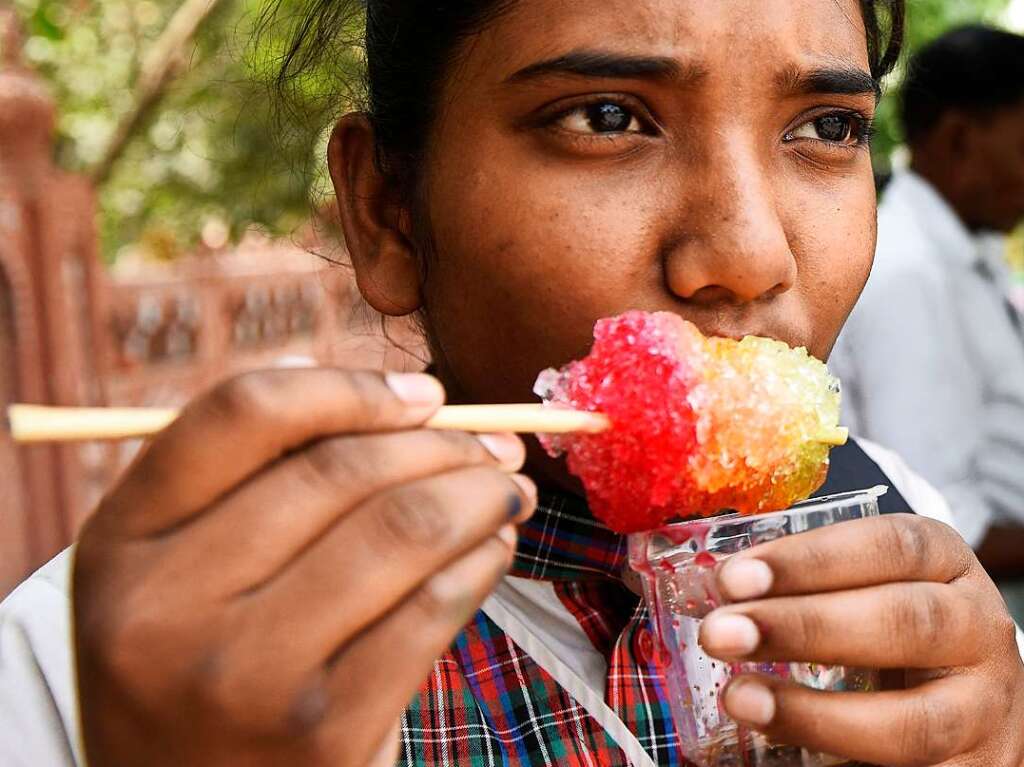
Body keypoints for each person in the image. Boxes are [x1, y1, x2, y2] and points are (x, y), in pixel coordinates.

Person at [2, 2, 1023, 765]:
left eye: (827, 128)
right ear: (387, 209)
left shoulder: (898, 535)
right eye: (609, 115)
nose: (750, 255)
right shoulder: (103, 667)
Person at [831, 27, 1024, 595]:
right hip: (982, 597)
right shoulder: (908, 273)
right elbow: (943, 524)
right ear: (960, 140)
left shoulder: (968, 257)